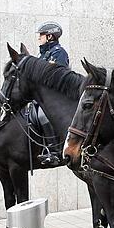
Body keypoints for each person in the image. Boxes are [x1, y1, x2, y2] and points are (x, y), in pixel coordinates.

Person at [35, 22, 69, 167]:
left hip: (55, 96)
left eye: (41, 35)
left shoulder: (59, 53)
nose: (39, 38)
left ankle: (54, 151)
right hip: (40, 96)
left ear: (49, 36)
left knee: (43, 115)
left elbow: (56, 76)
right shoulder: (42, 54)